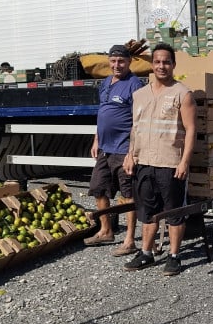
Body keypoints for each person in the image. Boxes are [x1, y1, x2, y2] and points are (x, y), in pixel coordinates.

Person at [122, 43, 196, 276]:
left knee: (173, 212)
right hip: (144, 162)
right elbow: (136, 128)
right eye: (157, 62)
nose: (161, 66)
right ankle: (146, 253)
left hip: (170, 163)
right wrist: (130, 154)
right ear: (151, 65)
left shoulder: (183, 94)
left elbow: (192, 130)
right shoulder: (139, 95)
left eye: (166, 62)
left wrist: (184, 161)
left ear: (173, 65)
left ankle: (174, 256)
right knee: (147, 211)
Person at [83, 44, 143, 256]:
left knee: (128, 195)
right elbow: (102, 113)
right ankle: (106, 230)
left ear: (129, 62)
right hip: (104, 148)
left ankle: (129, 240)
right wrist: (96, 139)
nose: (117, 65)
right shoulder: (106, 82)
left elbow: (139, 121)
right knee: (98, 188)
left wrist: (131, 152)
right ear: (108, 61)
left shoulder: (134, 84)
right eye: (113, 61)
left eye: (121, 61)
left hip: (123, 148)